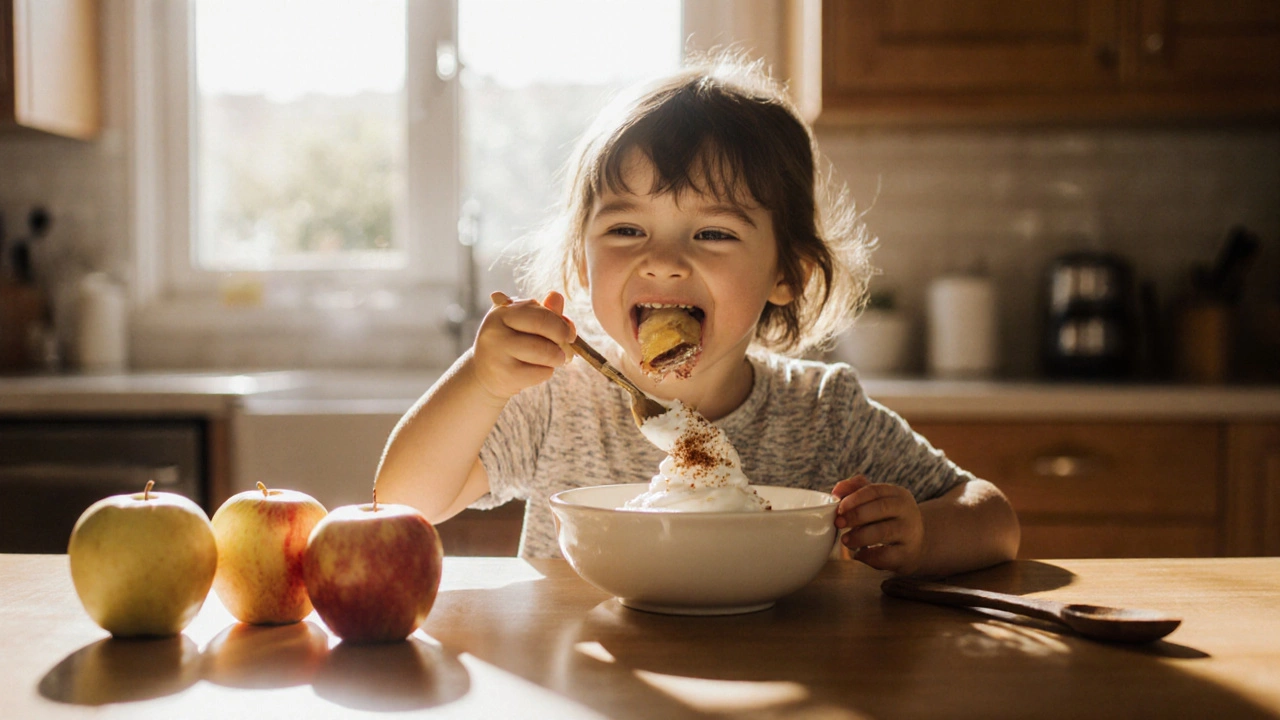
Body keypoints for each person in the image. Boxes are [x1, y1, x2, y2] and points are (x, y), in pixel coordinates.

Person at [375, 54, 1019, 576]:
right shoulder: (552, 399)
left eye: (712, 234)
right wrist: (481, 381)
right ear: (580, 260)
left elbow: (993, 519)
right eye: (626, 229)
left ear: (786, 274)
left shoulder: (823, 414)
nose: (661, 261)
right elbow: (404, 501)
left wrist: (920, 533)